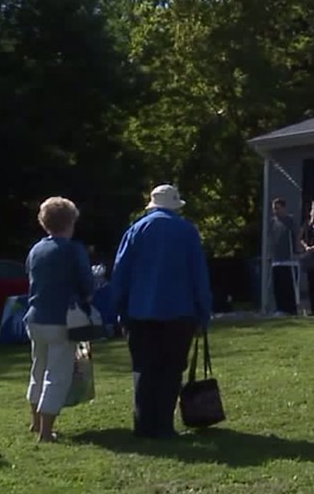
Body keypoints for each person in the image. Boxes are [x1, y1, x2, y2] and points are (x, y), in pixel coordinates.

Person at [110, 184, 212, 439]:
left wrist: (119, 310)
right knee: (171, 370)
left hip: (140, 311)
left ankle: (144, 425)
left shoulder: (135, 230)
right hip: (180, 311)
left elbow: (121, 273)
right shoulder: (187, 231)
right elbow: (199, 275)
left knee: (144, 369)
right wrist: (203, 313)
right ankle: (164, 426)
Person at [24, 196, 94, 443]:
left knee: (38, 370)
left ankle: (35, 422)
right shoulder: (73, 250)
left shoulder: (36, 249)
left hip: (35, 317)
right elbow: (86, 284)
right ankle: (46, 432)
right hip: (62, 320)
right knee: (57, 375)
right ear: (70, 222)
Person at [269, 197, 300, 315]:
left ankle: (290, 309)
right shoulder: (273, 222)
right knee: (278, 286)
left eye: (278, 208)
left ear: (283, 208)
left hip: (288, 258)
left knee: (287, 285)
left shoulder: (290, 220)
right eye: (274, 209)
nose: (275, 211)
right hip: (276, 258)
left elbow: (297, 235)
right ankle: (280, 308)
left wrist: (297, 250)